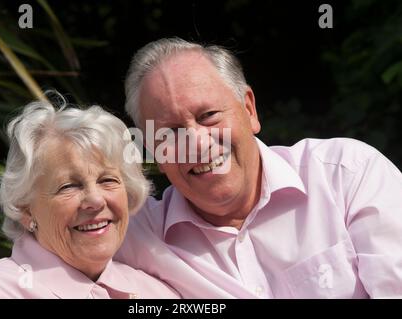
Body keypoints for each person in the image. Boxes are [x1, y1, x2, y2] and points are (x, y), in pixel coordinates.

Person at [114, 37, 402, 298]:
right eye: (171, 132)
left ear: (249, 110)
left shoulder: (345, 174)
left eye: (209, 115)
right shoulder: (133, 234)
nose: (197, 143)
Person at [0, 97, 180, 299]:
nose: (96, 200)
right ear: (25, 209)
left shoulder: (157, 292)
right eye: (69, 186)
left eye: (107, 180)